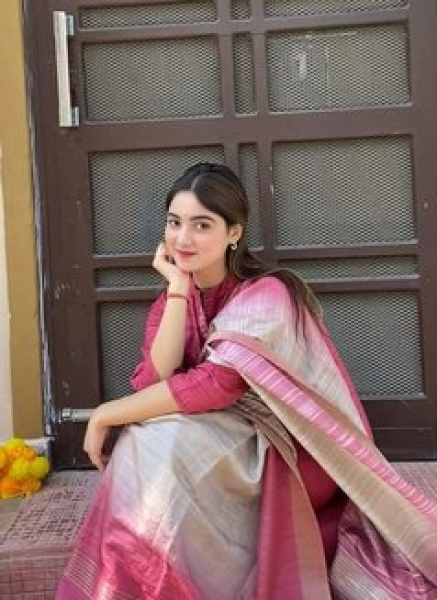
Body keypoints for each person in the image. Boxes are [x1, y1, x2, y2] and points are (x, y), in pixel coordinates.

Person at [57, 163, 437, 599]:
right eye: (174, 223)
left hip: (290, 450)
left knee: (162, 440)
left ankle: (162, 576)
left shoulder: (268, 295)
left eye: (202, 225)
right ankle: (141, 573)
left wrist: (106, 413)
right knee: (149, 436)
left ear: (234, 233)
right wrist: (178, 287)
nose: (183, 238)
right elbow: (152, 382)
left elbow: (216, 385)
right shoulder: (176, 298)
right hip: (215, 434)